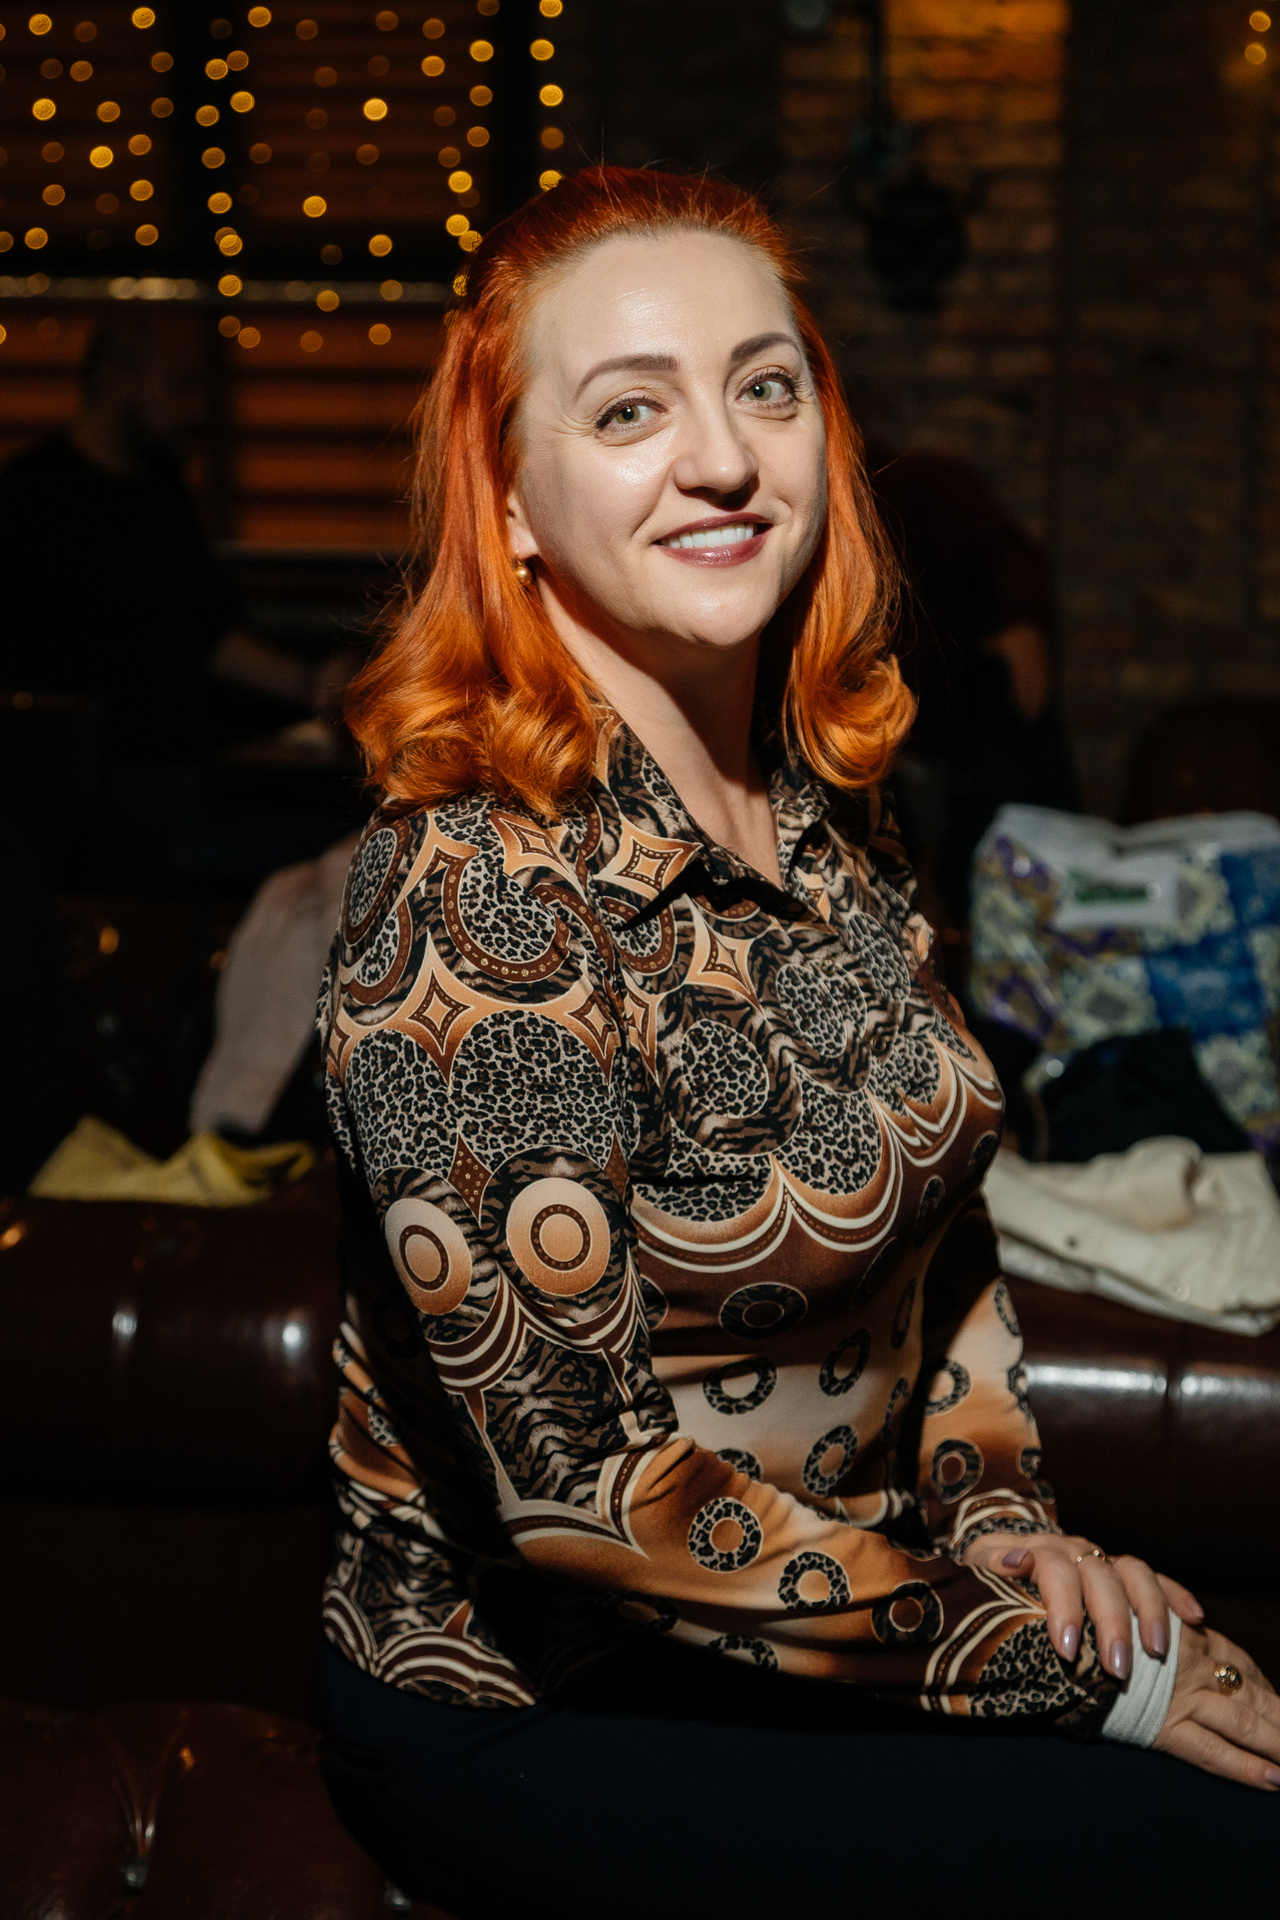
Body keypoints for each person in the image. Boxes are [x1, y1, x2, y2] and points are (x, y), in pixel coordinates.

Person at [316, 168, 1277, 1918]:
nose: (724, 458)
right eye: (630, 410)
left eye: (766, 387)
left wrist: (1010, 1534)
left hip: (854, 1623)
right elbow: (582, 1495)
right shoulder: (471, 890)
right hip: (544, 1705)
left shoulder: (833, 815)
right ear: (509, 499)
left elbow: (947, 1242)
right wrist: (1071, 1671)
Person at [0, 309, 358, 886]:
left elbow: (207, 619)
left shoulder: (160, 490)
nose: (194, 408)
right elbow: (188, 639)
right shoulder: (36, 500)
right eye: (178, 384)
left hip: (190, 775)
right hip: (115, 800)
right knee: (342, 852)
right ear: (119, 378)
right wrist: (311, 685)